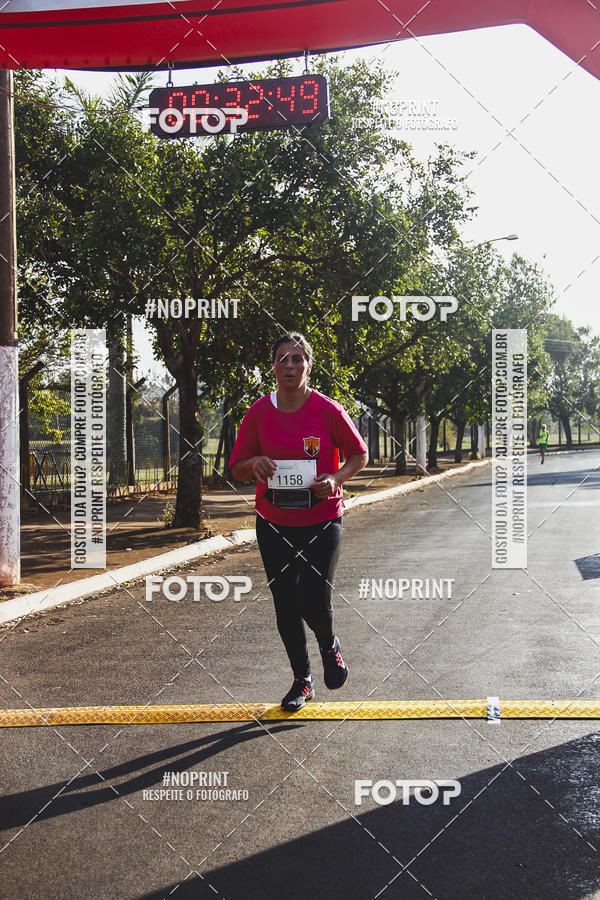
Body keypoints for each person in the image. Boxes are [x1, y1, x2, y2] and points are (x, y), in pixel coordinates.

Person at [229, 332, 368, 712]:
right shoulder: (259, 412)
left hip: (322, 519)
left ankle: (329, 645)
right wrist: (254, 464)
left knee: (312, 597)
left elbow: (359, 454)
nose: (289, 365)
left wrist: (335, 479)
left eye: (297, 359)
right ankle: (301, 680)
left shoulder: (328, 410)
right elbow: (238, 468)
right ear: (273, 366)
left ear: (308, 366)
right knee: (286, 604)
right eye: (282, 359)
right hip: (273, 522)